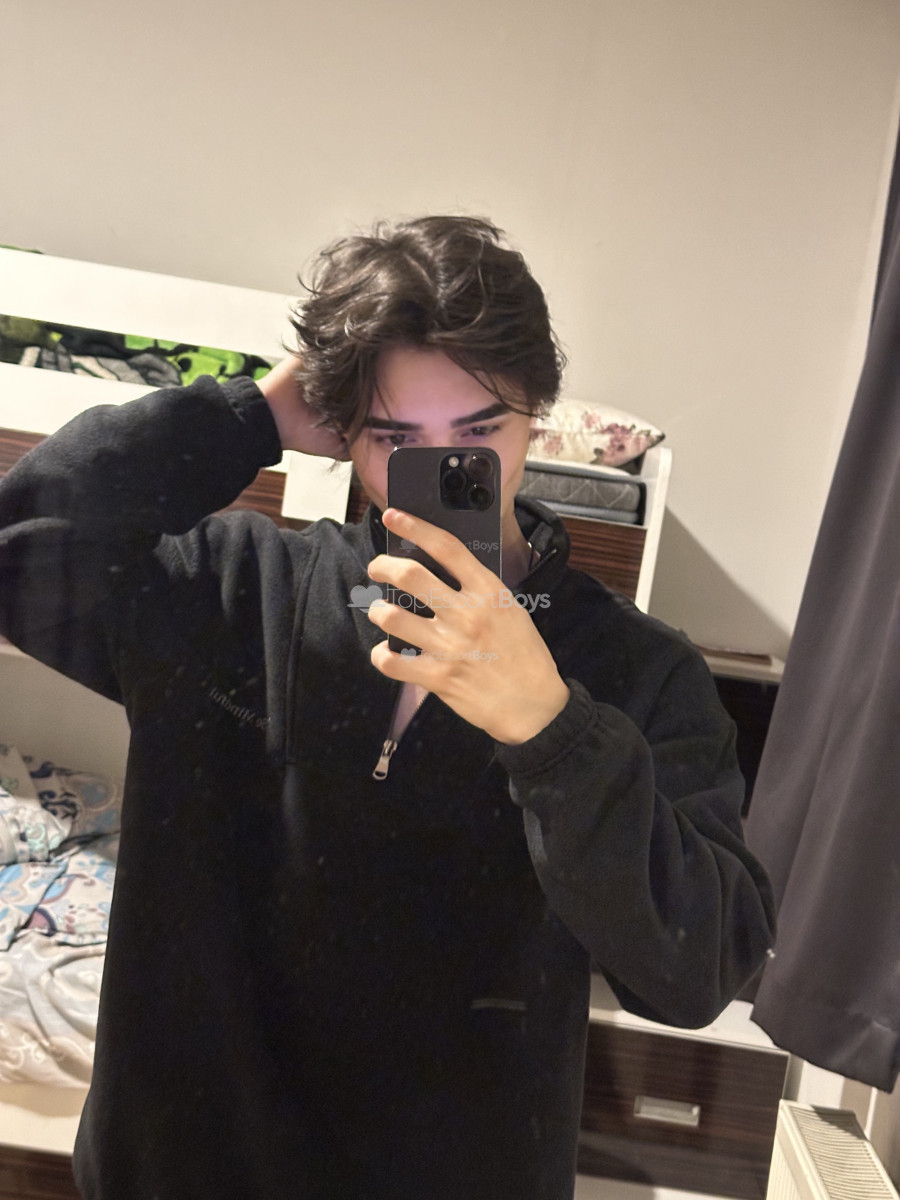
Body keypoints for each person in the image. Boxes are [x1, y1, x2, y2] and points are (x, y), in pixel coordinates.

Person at [0, 215, 774, 1200]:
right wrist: (253, 415)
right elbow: (21, 551)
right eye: (396, 438)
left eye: (480, 432)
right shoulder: (234, 589)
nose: (444, 472)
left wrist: (554, 731)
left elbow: (699, 970)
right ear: (344, 433)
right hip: (182, 1168)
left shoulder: (638, 670)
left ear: (537, 414)